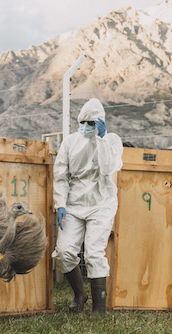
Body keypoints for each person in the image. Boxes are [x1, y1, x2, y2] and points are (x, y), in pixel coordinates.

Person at [52, 98, 123, 316]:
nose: (86, 126)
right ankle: (79, 294)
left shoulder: (112, 140)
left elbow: (109, 168)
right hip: (74, 204)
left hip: (101, 203)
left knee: (94, 253)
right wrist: (60, 203)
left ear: (100, 122)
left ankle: (99, 308)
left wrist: (101, 140)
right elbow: (61, 175)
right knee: (64, 251)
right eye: (82, 121)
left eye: (91, 122)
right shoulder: (70, 142)